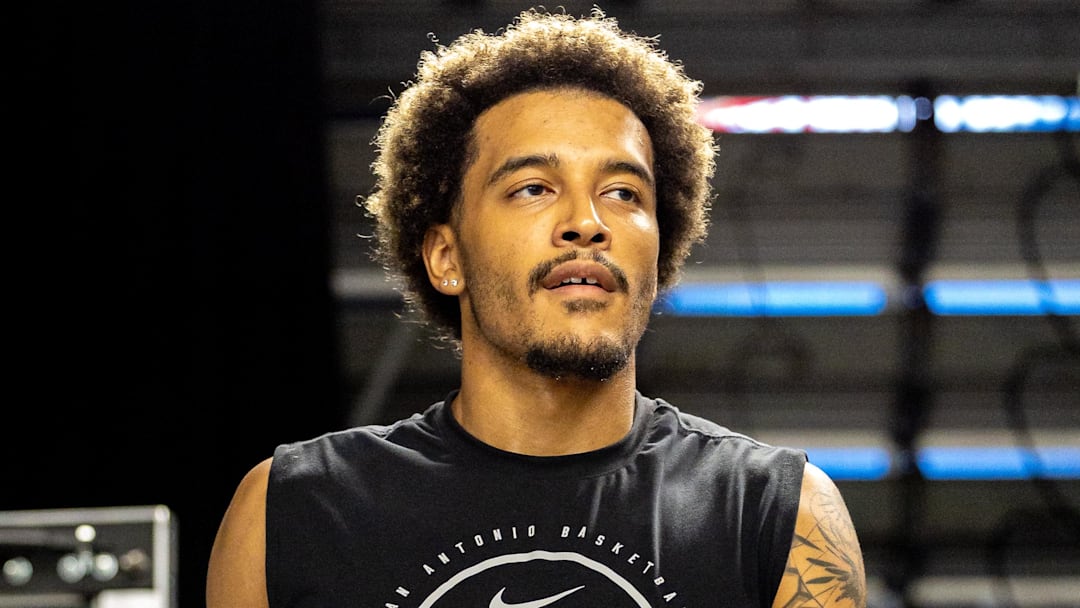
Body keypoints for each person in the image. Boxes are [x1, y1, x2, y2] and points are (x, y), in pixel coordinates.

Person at [206, 7, 866, 607]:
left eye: (624, 193)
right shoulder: (290, 511)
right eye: (532, 188)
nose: (587, 221)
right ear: (446, 257)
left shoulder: (780, 515)